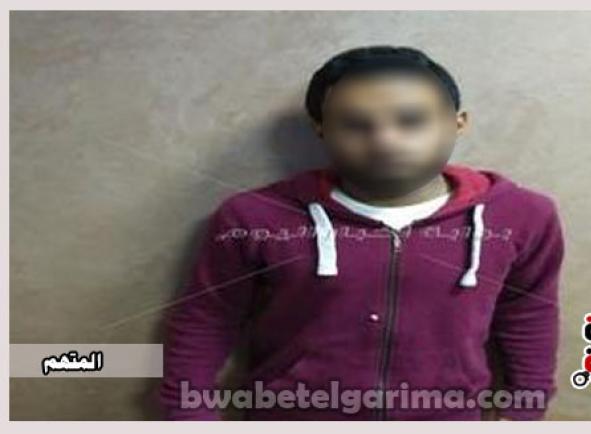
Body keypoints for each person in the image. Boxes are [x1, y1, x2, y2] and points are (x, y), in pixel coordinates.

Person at [159, 45, 565, 421]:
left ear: (457, 123)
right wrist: (190, 418)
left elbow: (529, 315)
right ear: (321, 129)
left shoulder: (522, 215)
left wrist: (523, 414)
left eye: (411, 120)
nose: (385, 140)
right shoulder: (254, 216)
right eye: (355, 125)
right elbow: (205, 321)